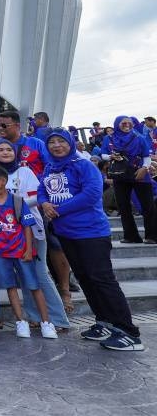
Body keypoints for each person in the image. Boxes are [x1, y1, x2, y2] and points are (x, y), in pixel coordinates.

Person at [39, 129, 144, 351]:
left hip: (91, 233)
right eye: (52, 142)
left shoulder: (83, 164)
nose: (56, 146)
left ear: (70, 143)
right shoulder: (50, 167)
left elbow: (91, 194)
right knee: (86, 278)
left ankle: (129, 332)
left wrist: (58, 210)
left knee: (102, 279)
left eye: (61, 141)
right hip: (66, 233)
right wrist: (44, 203)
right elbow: (42, 190)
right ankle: (104, 322)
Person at [0, 138, 72, 328]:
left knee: (40, 274)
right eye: (0, 149)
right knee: (23, 274)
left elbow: (37, 196)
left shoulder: (24, 171)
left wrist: (13, 202)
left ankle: (59, 319)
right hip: (7, 235)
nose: (5, 152)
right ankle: (34, 317)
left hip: (30, 230)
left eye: (9, 148)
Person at [0, 166, 56, 339]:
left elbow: (27, 226)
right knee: (10, 287)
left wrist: (29, 249)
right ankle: (21, 322)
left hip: (21, 250)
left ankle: (46, 323)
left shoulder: (17, 201)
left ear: (3, 181)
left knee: (34, 286)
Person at [102, 115, 155, 244]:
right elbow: (103, 154)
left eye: (129, 123)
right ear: (117, 124)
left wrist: (144, 168)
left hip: (139, 173)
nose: (127, 125)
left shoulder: (139, 138)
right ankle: (131, 236)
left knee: (148, 205)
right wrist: (110, 156)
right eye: (123, 123)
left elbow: (146, 156)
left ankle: (153, 236)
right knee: (123, 206)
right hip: (120, 175)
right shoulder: (108, 138)